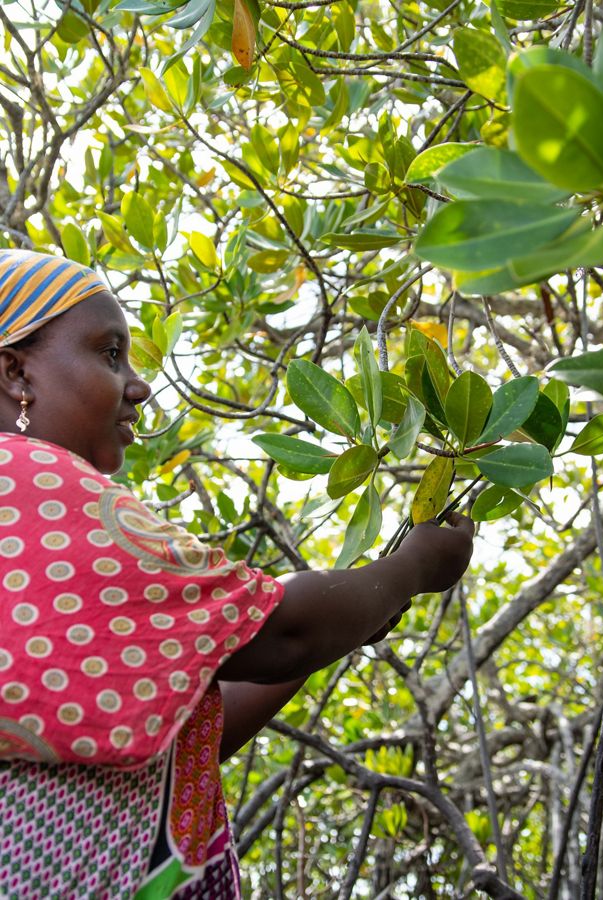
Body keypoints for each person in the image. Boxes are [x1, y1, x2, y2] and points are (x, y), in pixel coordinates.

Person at [0, 249, 475, 899]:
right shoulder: (31, 482)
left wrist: (352, 614)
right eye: (111, 353)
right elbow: (282, 633)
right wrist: (413, 567)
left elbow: (185, 731)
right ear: (15, 371)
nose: (138, 385)